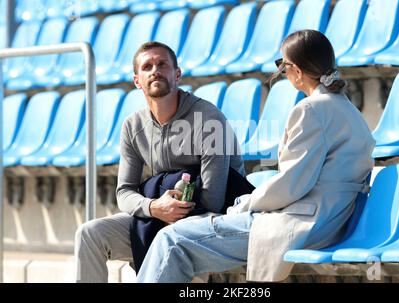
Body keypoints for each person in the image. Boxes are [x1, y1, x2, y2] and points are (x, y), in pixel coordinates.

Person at [136, 30, 376, 283]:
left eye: (282, 66)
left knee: (172, 239)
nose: (282, 72)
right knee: (181, 245)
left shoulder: (311, 110)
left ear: (295, 71)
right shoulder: (348, 109)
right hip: (331, 220)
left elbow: (292, 184)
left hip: (305, 223)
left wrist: (246, 203)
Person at [74, 41, 245, 282]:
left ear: (177, 74)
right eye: (147, 66)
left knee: (174, 238)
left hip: (213, 217)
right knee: (89, 233)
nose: (155, 70)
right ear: (137, 80)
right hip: (158, 214)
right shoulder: (133, 126)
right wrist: (154, 208)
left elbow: (213, 199)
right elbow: (124, 192)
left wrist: (170, 210)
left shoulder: (208, 118)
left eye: (162, 64)